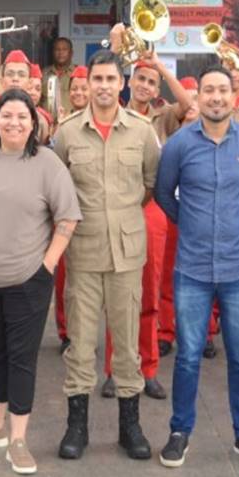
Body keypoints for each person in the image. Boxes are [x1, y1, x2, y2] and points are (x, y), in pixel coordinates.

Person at [0, 89, 82, 475]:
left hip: (28, 280)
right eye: (7, 116)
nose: (14, 123)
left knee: (22, 359)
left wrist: (47, 266)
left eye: (22, 117)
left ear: (34, 122)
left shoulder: (47, 164)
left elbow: (67, 218)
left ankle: (18, 438)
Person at [154, 64, 239, 470]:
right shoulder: (179, 144)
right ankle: (179, 432)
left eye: (223, 90)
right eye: (209, 91)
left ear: (233, 95)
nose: (217, 98)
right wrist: (190, 221)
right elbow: (163, 194)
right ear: (198, 97)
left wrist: (237, 221)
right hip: (191, 268)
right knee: (188, 355)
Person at [53, 50, 160, 462]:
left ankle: (128, 426)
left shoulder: (141, 131)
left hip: (127, 253)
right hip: (82, 252)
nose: (102, 86)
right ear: (88, 83)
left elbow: (149, 185)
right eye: (96, 79)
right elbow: (59, 190)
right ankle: (76, 426)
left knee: (128, 344)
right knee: (79, 344)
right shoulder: (67, 133)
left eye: (110, 79)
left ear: (122, 83)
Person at [98, 48, 191, 401]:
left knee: (149, 294)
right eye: (141, 78)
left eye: (151, 82)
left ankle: (148, 368)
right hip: (118, 207)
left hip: (151, 209)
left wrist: (162, 68)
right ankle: (114, 369)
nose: (146, 85)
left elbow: (185, 103)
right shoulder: (113, 113)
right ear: (128, 81)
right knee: (118, 295)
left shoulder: (162, 118)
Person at [157, 75, 198, 358]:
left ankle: (196, 333)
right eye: (189, 100)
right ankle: (164, 332)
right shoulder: (172, 138)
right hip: (173, 216)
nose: (193, 107)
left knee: (196, 280)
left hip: (199, 221)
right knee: (166, 277)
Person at [41, 37, 76, 122]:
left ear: (71, 53)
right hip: (47, 124)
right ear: (53, 52)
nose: (60, 53)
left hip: (71, 122)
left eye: (64, 49)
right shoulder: (43, 74)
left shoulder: (78, 73)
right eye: (57, 49)